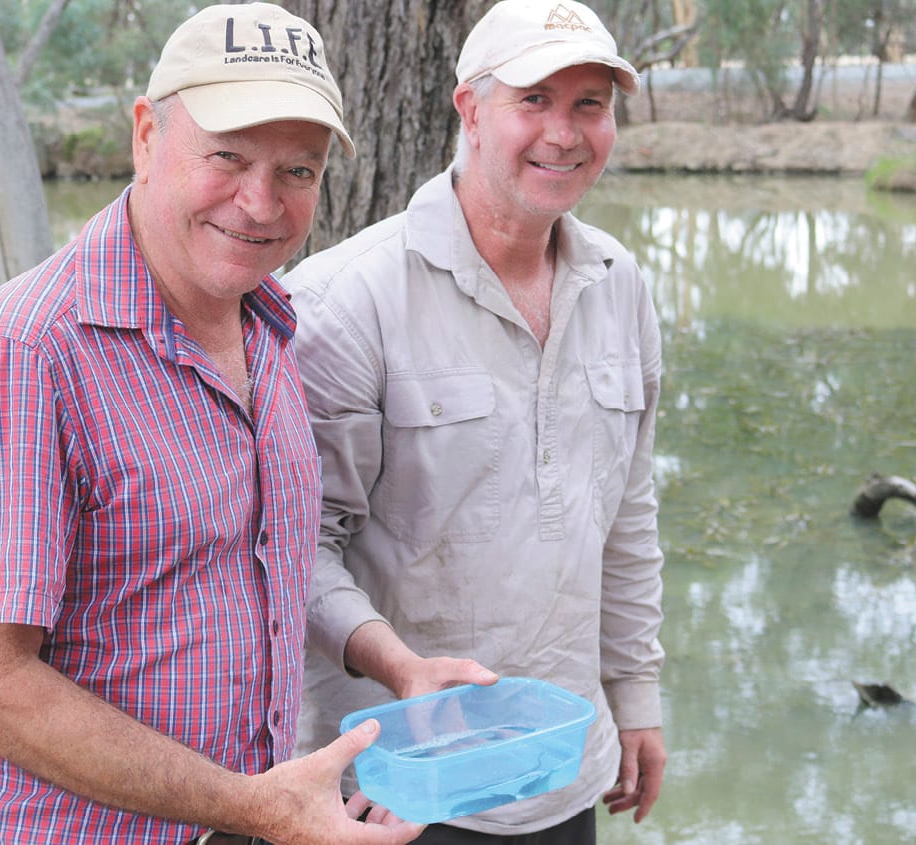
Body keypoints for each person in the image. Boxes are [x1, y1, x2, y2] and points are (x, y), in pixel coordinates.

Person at [0, 5, 423, 845]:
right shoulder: (21, 355)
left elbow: (260, 567)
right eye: (228, 157)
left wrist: (397, 664)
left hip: (231, 818)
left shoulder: (265, 321)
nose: (260, 202)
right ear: (146, 135)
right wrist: (252, 805)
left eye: (297, 170)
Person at [284, 0, 667, 841]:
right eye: (534, 100)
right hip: (393, 782)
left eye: (590, 104)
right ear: (470, 108)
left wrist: (634, 693)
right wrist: (398, 670)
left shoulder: (621, 284)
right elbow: (293, 549)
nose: (563, 133)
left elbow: (626, 514)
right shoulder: (346, 300)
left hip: (558, 767)